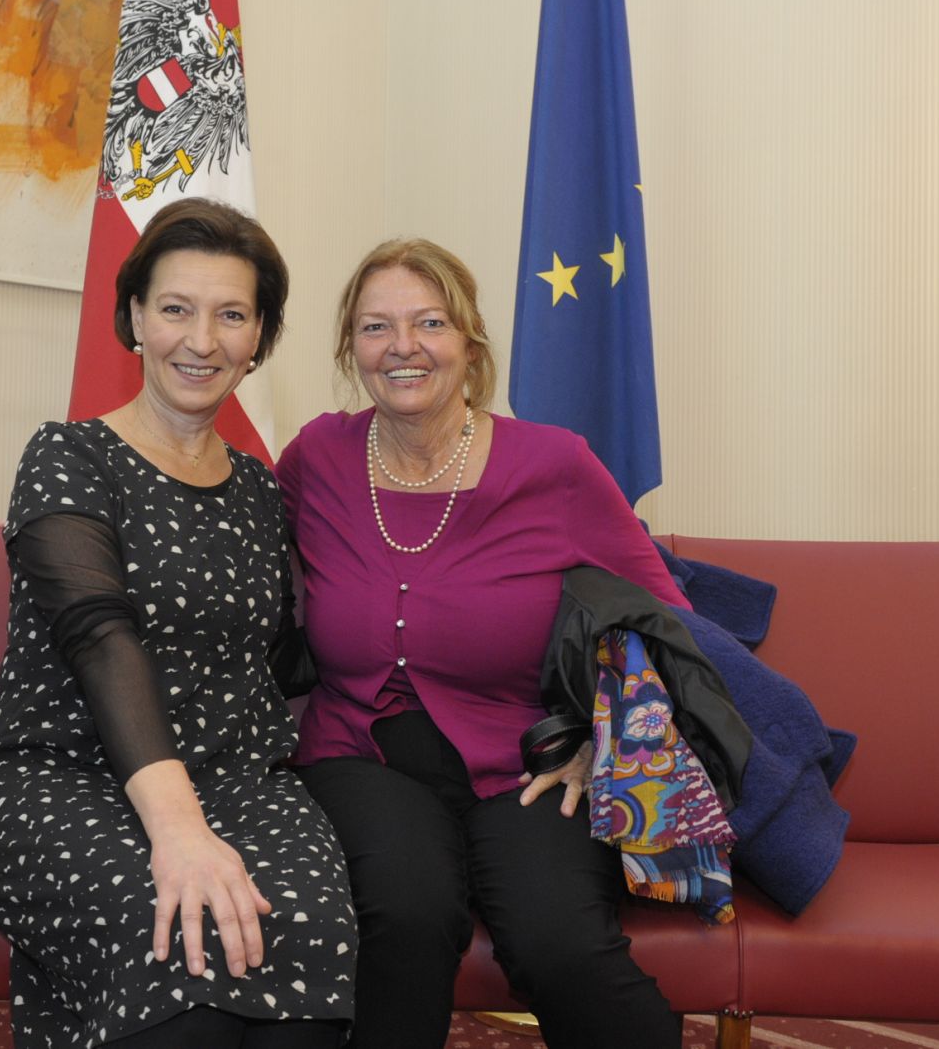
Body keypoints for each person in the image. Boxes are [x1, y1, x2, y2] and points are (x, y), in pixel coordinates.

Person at [0, 198, 355, 1049]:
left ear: (261, 340)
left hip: (241, 780)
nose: (200, 340)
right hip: (61, 777)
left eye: (232, 315)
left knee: (311, 940)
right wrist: (180, 834)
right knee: (179, 949)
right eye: (175, 308)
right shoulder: (67, 456)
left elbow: (282, 657)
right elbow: (99, 635)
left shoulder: (259, 490)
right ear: (135, 316)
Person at [276, 238, 690, 1049]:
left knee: (559, 941)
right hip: (361, 756)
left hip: (526, 763)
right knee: (406, 912)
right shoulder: (316, 458)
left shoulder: (555, 465)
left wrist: (600, 740)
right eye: (375, 326)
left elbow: (664, 612)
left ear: (470, 342)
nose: (403, 346)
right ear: (350, 349)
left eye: (429, 322)